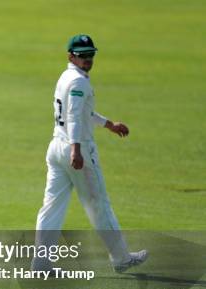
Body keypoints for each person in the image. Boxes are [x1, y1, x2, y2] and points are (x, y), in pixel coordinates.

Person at [32, 35, 148, 273]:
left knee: (51, 207)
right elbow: (74, 116)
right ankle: (121, 258)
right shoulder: (79, 83)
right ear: (71, 56)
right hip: (77, 150)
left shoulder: (67, 77)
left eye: (90, 55)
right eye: (82, 55)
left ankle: (41, 263)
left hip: (56, 147)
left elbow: (83, 112)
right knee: (99, 205)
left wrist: (109, 125)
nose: (87, 59)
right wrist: (76, 149)